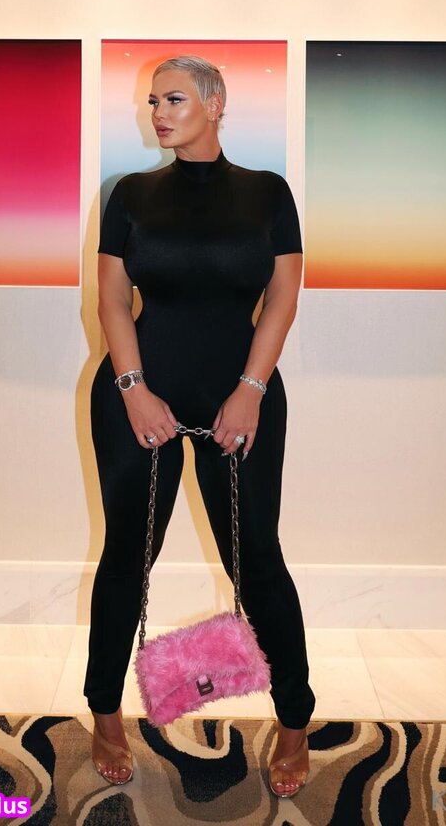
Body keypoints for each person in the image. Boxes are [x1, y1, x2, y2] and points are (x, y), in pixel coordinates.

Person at [84, 54, 315, 798]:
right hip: (136, 395)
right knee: (126, 558)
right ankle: (105, 712)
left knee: (258, 561)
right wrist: (133, 390)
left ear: (215, 104)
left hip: (240, 398)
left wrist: (250, 389)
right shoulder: (129, 194)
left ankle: (295, 720)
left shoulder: (267, 193)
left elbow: (282, 298)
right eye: (153, 101)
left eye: (173, 99)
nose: (158, 112)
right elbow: (112, 301)